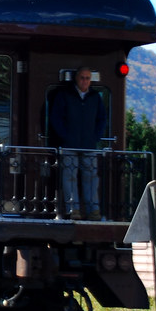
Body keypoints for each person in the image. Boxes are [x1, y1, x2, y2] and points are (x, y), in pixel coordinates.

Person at [50, 66, 107, 220]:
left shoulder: (95, 97)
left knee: (91, 178)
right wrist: (65, 136)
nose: (84, 81)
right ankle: (73, 209)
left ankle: (93, 211)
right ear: (76, 78)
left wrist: (96, 137)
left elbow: (102, 119)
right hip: (69, 145)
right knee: (69, 177)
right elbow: (56, 118)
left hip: (89, 145)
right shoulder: (64, 95)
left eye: (87, 78)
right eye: (82, 78)